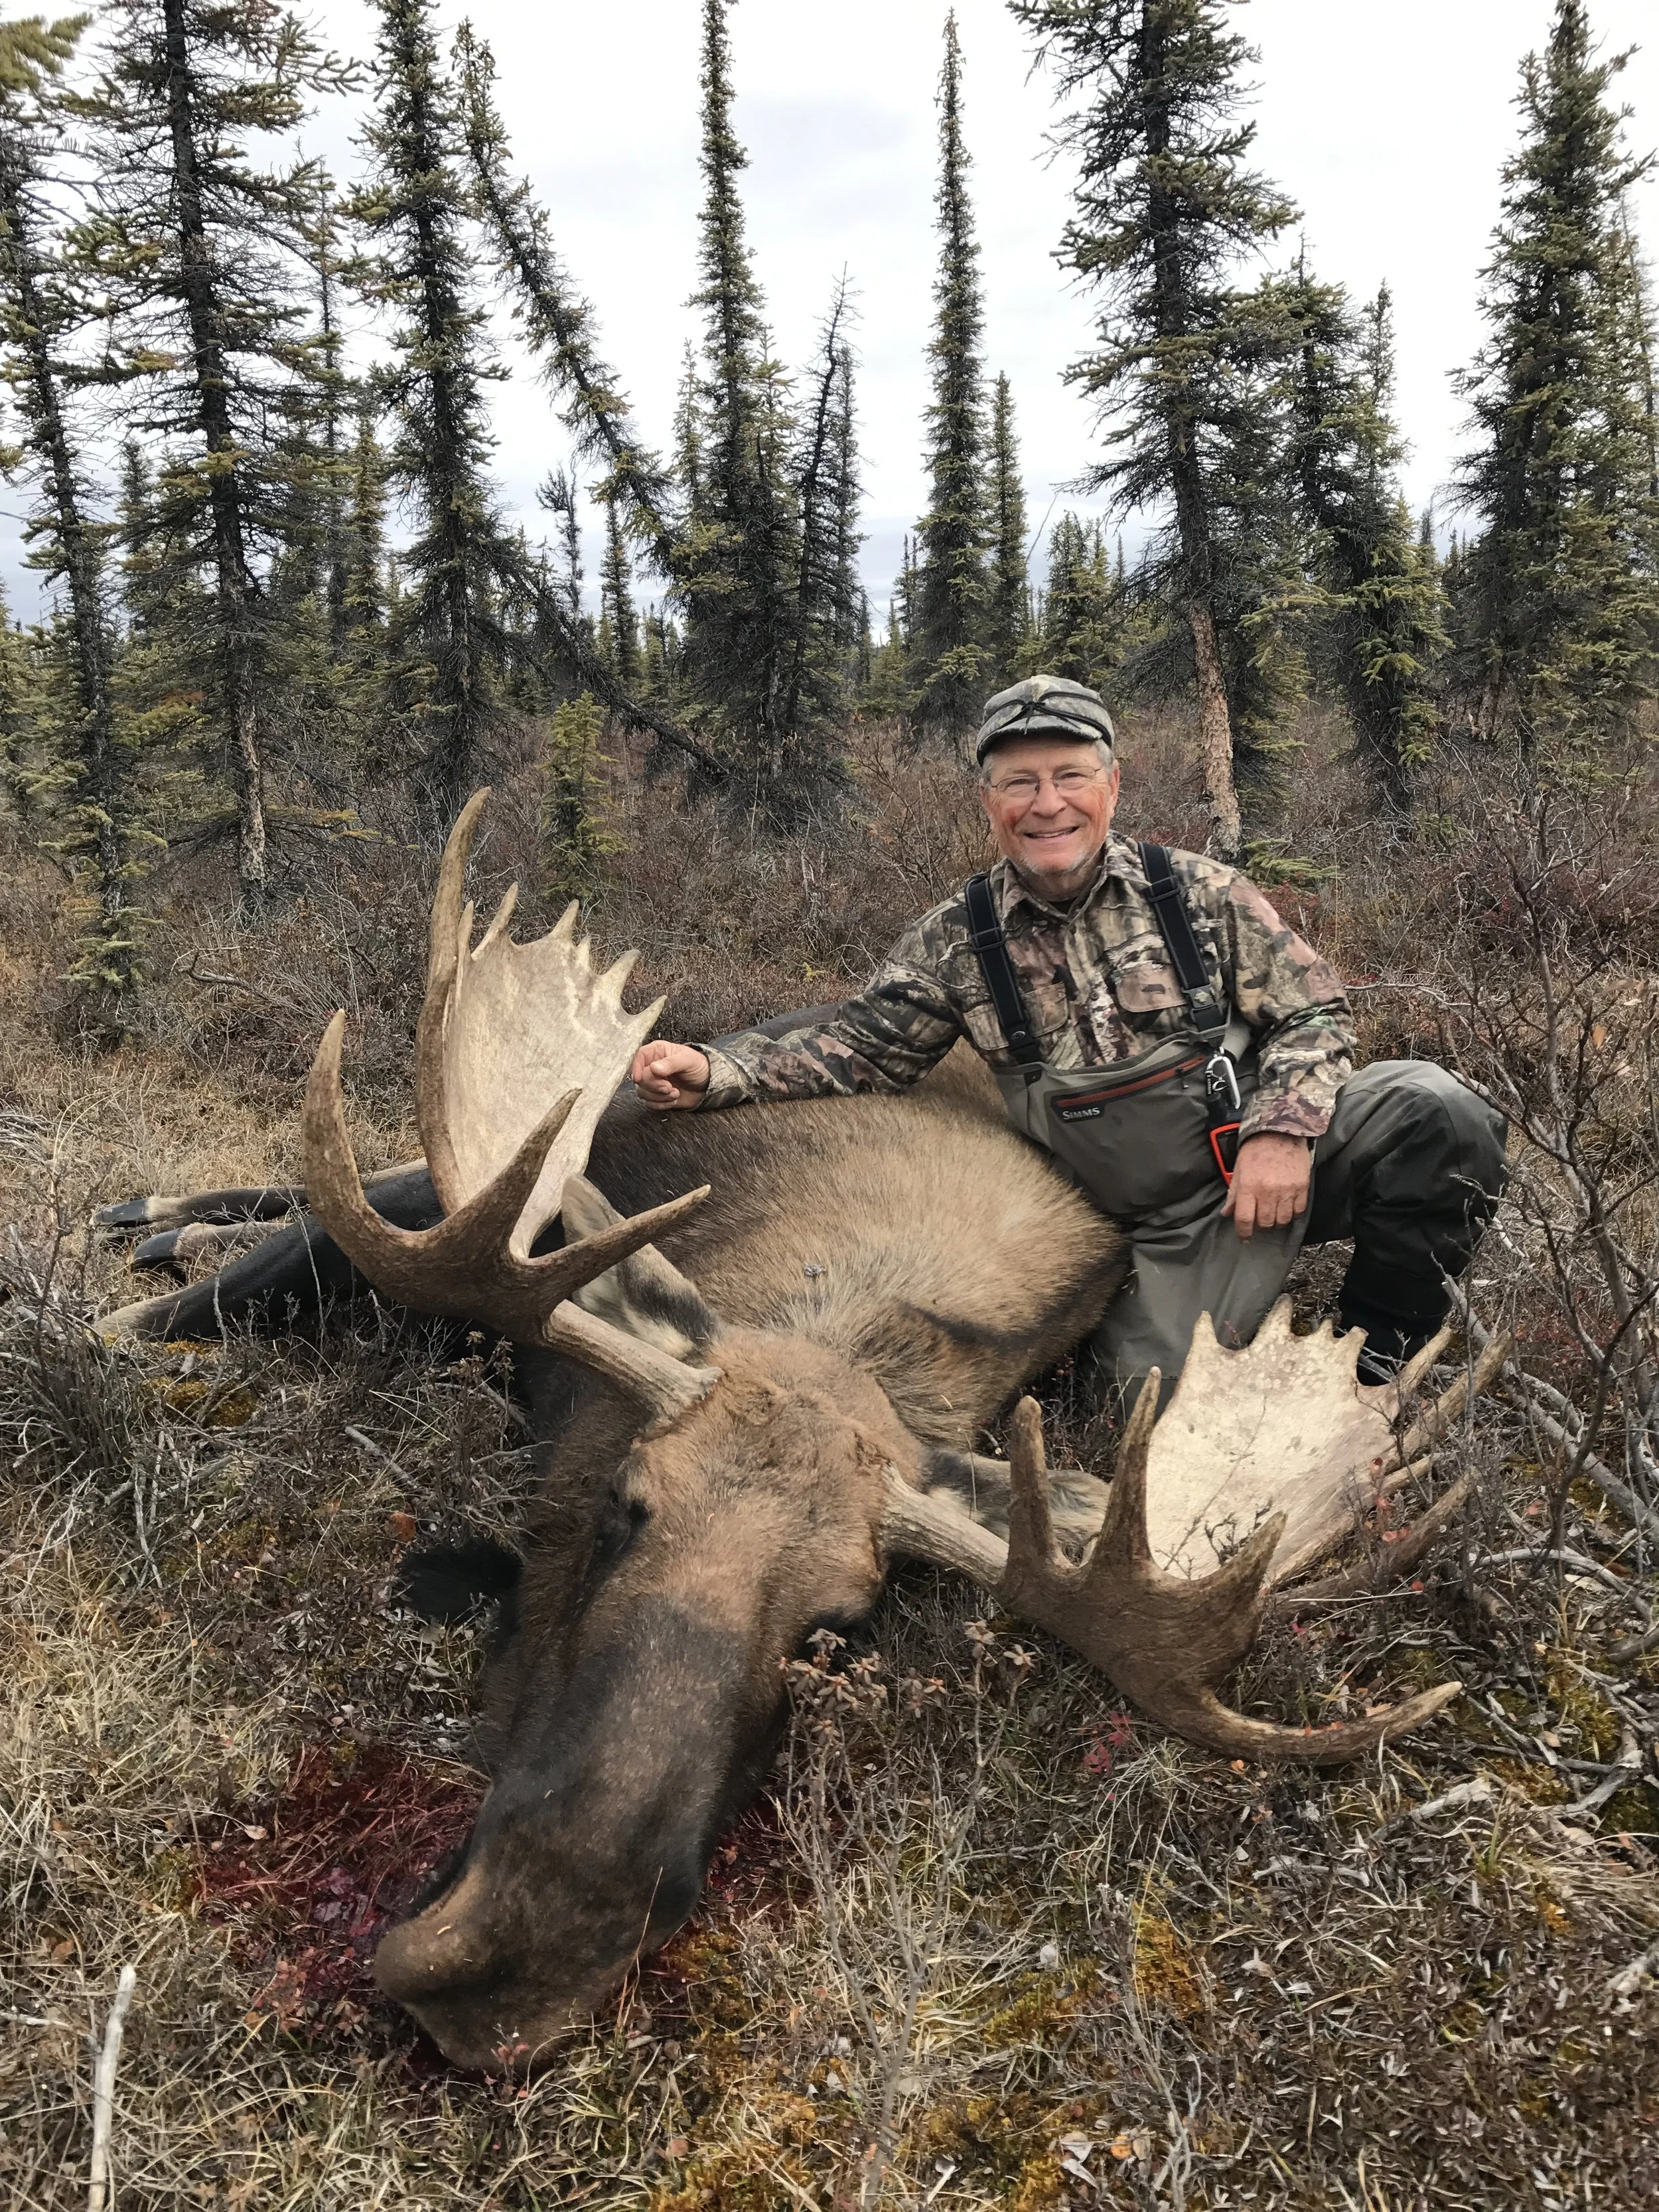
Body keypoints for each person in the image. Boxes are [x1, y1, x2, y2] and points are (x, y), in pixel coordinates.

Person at [630, 675, 1506, 1398]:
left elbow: (1312, 1012)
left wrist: (1283, 1130)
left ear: (1112, 786)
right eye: (1020, 783)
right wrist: (713, 1070)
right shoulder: (955, 941)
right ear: (990, 802)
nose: (1048, 805)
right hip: (1160, 1229)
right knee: (1139, 1404)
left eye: (1070, 777)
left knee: (1438, 1113)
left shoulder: (1198, 892)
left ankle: (1377, 1361)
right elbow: (858, 1050)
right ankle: (1162, 1324)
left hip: (1273, 1158)